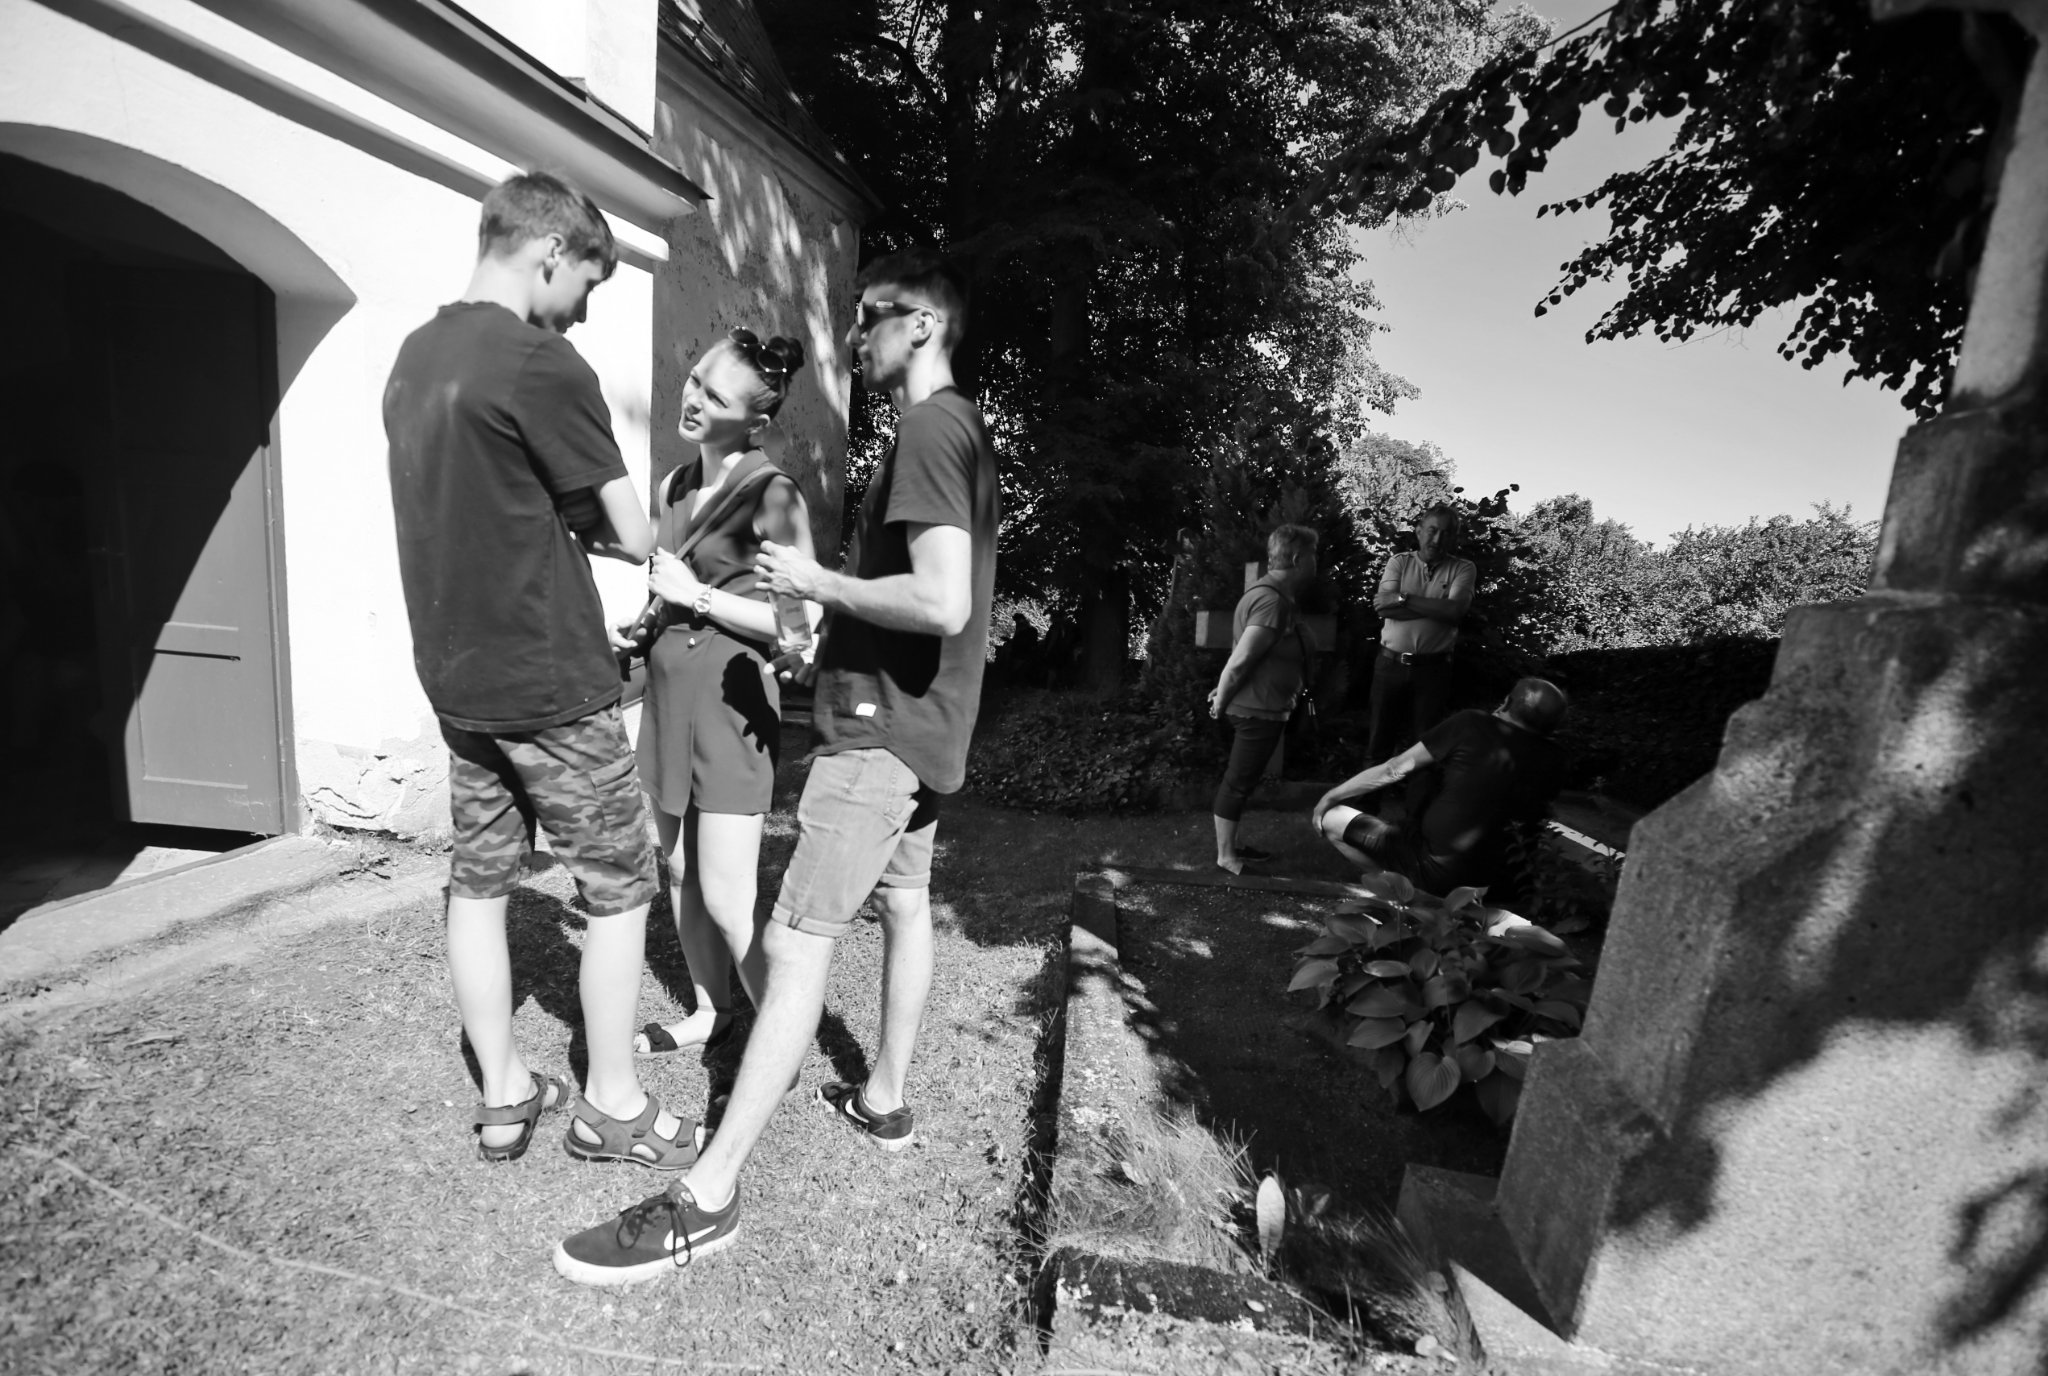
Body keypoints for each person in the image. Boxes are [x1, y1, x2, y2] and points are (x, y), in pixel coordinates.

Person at [554, 247, 999, 1284]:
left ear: (922, 324)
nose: (856, 333)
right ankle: (883, 1097)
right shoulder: (963, 428)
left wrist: (814, 581)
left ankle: (707, 1195)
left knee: (792, 942)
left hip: (883, 730)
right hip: (923, 725)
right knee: (904, 905)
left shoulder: (931, 429)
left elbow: (942, 601)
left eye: (872, 315)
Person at [384, 171, 696, 1169]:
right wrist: (589, 529)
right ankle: (612, 1105)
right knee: (619, 884)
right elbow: (634, 530)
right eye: (588, 285)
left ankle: (504, 1092)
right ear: (550, 250)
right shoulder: (539, 362)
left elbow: (484, 502)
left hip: (458, 677)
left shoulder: (414, 356)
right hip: (547, 677)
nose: (585, 311)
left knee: (479, 882)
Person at [627, 329, 817, 1059]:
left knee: (730, 896)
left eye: (716, 396)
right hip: (669, 702)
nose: (694, 399)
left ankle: (780, 1043)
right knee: (678, 871)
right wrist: (641, 628)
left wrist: (699, 597)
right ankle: (714, 1011)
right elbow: (667, 593)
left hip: (732, 709)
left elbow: (801, 630)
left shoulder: (774, 494)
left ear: (756, 422)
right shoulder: (674, 485)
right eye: (695, 379)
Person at [1311, 677, 1569, 896]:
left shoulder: (1471, 723)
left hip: (1438, 871)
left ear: (1506, 702)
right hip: (1506, 884)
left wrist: (1331, 796)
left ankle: (1404, 896)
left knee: (1333, 818)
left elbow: (1394, 769)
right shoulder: (1557, 758)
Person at [1206, 524, 1319, 875]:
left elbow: (1249, 653)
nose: (1316, 562)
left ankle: (1232, 847)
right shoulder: (1271, 601)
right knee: (1238, 781)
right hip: (1256, 709)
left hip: (1264, 705)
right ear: (1297, 559)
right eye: (1313, 555)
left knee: (1241, 780)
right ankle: (1226, 857)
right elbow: (1242, 660)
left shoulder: (1276, 596)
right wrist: (1222, 698)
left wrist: (1224, 690)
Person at [1367, 503, 1476, 767]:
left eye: (1446, 533)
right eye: (1432, 530)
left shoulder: (1463, 568)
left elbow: (1454, 612)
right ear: (1418, 531)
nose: (1437, 539)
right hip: (1390, 665)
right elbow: (1383, 608)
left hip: (1433, 670)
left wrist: (1403, 599)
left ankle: (1419, 796)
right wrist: (1437, 608)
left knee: (1425, 748)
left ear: (1454, 537)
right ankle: (1369, 794)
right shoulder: (1400, 562)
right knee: (1378, 744)